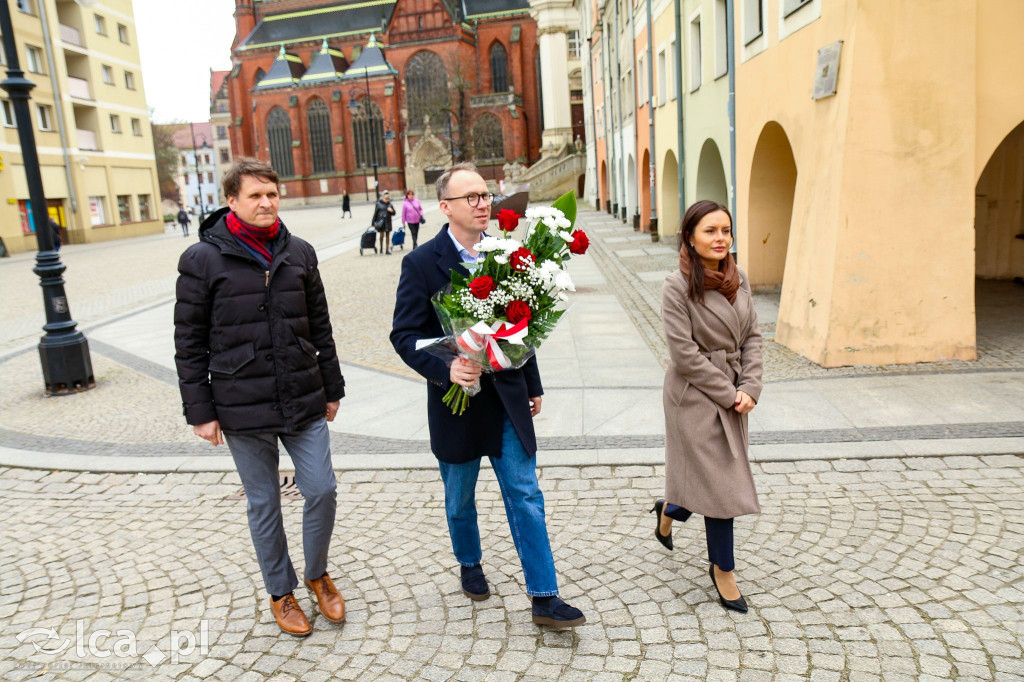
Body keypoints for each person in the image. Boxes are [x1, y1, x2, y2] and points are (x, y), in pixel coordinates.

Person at [390, 162, 586, 628]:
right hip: (457, 404)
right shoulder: (421, 263)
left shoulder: (511, 253)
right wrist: (447, 366)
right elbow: (404, 335)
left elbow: (522, 322)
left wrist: (533, 384)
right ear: (445, 207)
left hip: (507, 399)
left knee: (525, 493)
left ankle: (544, 596)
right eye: (471, 197)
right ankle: (469, 559)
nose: (483, 204)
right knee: (460, 498)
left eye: (485, 195)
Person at [174, 158, 347, 637]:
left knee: (322, 489)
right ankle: (280, 591)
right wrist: (201, 411)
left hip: (302, 393)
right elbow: (188, 341)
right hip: (240, 401)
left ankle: (317, 574)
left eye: (272, 194)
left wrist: (332, 387)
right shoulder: (202, 260)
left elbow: (321, 327)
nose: (266, 203)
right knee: (264, 502)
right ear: (231, 200)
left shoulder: (300, 253)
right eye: (255, 196)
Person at [652, 199, 763, 614]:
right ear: (690, 237)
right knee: (720, 482)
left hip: (735, 391)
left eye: (726, 230)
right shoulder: (676, 285)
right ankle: (723, 570)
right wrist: (728, 392)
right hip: (694, 396)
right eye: (710, 231)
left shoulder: (740, 278)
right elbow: (684, 354)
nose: (721, 239)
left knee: (709, 477)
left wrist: (750, 385)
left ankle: (669, 507)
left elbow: (752, 337)